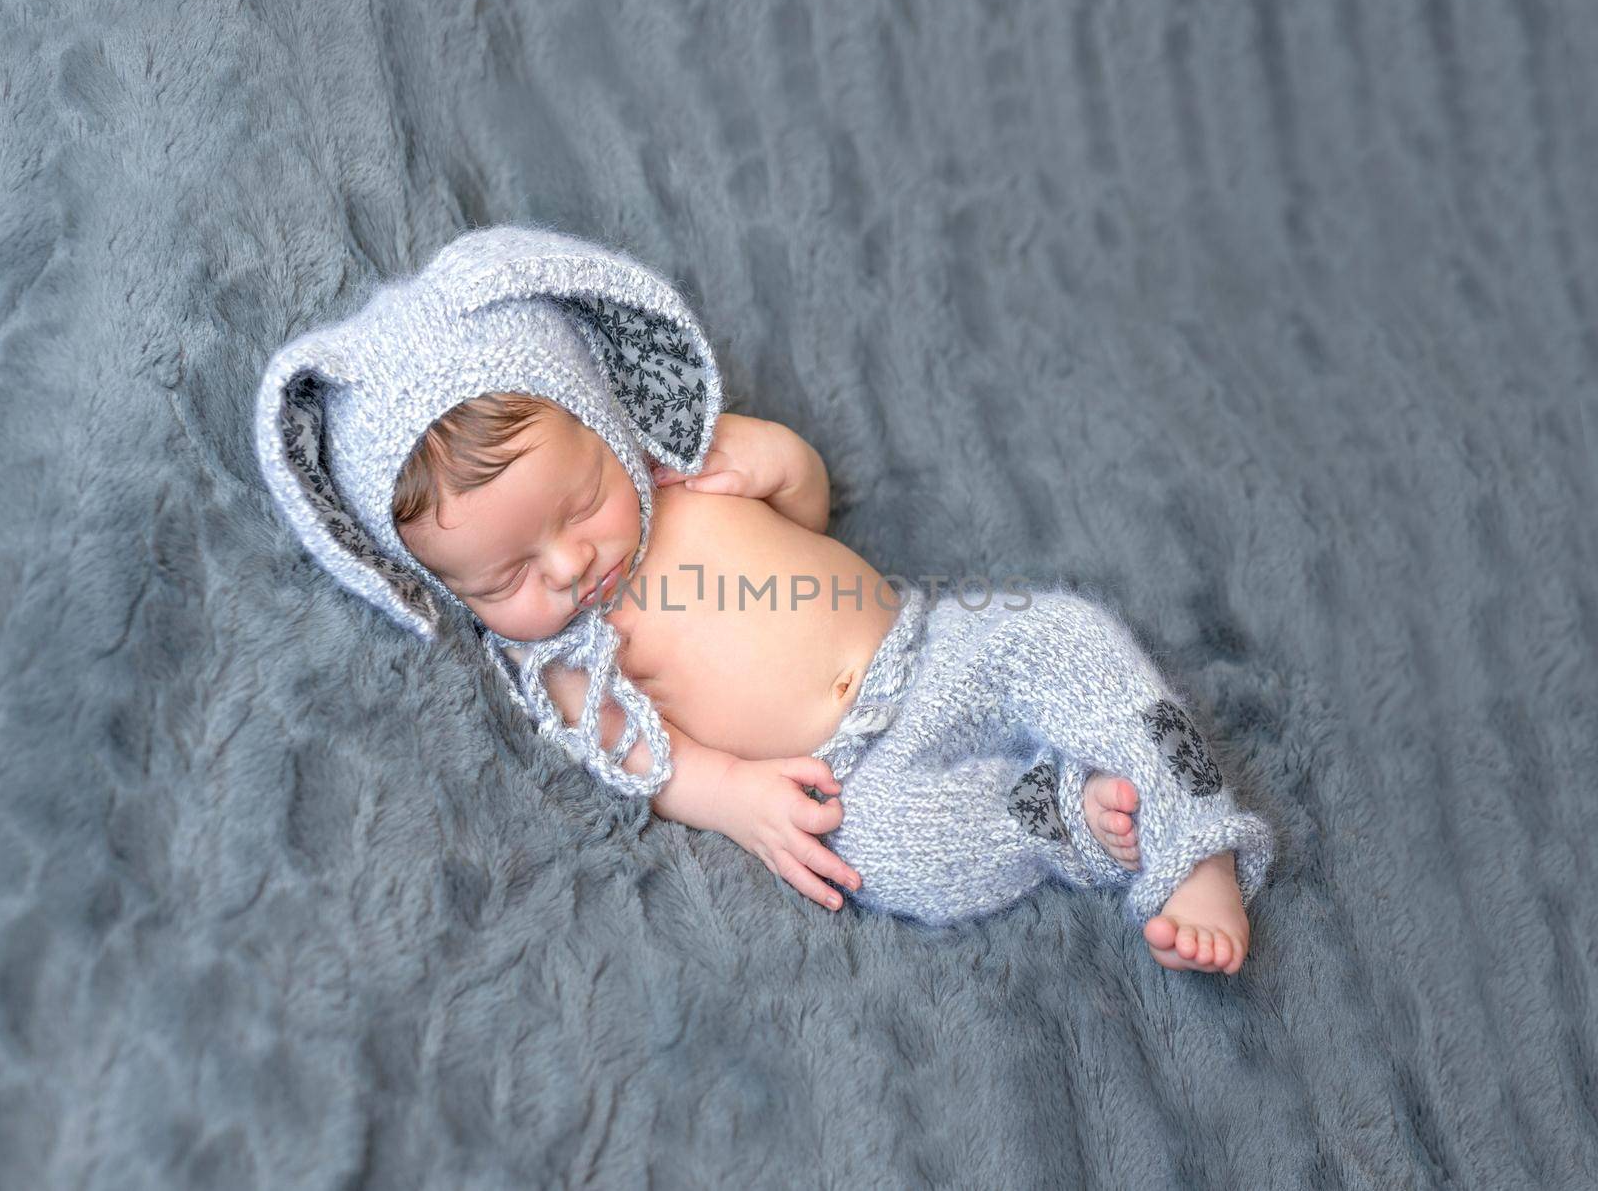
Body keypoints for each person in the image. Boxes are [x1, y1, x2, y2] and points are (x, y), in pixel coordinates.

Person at [256, 225, 1274, 973]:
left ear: (605, 422)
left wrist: (780, 461)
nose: (566, 566)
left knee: (1064, 633)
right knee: (891, 857)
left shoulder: (680, 474)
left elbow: (810, 511)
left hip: (932, 642)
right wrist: (730, 796)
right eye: (503, 578)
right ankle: (1059, 822)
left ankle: (1194, 843)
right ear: (444, 586)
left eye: (578, 503)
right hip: (841, 773)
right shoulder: (569, 660)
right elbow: (645, 757)